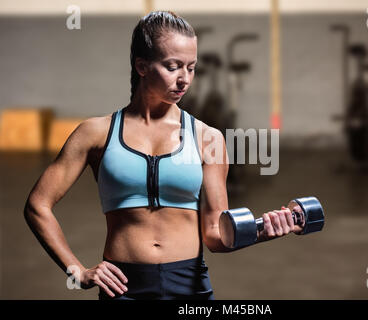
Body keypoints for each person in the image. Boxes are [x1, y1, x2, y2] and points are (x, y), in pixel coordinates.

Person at [23, 11, 304, 300]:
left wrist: (260, 231)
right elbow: (37, 206)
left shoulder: (208, 139)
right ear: (142, 66)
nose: (184, 79)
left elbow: (215, 236)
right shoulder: (95, 133)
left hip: (190, 286)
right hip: (123, 287)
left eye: (191, 68)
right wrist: (77, 271)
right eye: (173, 66)